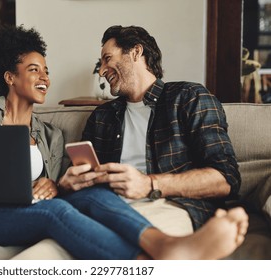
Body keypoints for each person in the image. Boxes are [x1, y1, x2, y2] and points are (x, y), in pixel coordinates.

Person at [57, 25, 249, 259]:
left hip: (170, 205)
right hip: (105, 207)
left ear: (136, 52)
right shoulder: (102, 117)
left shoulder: (189, 97)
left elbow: (226, 179)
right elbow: (79, 175)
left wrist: (149, 184)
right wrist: (68, 183)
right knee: (40, 256)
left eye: (108, 59)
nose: (102, 71)